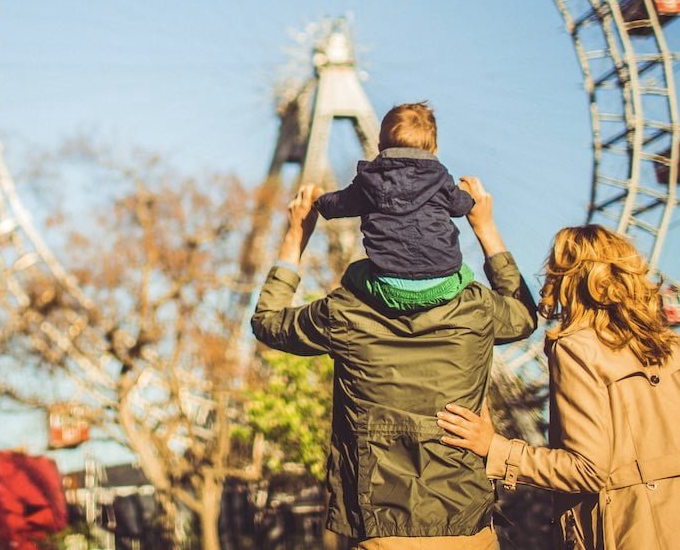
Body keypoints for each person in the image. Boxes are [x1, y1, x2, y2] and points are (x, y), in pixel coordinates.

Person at [251, 178, 537, 548]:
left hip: (380, 527)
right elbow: (524, 316)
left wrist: (296, 237)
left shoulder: (344, 312)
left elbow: (268, 321)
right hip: (467, 525)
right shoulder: (476, 309)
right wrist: (485, 228)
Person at [437, 224, 680, 550]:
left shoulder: (577, 348)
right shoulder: (669, 346)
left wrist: (495, 449)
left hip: (628, 530)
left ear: (567, 276)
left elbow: (589, 470)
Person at [314, 103, 475, 312]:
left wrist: (318, 201)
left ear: (380, 147)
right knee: (466, 273)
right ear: (434, 149)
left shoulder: (367, 182)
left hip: (389, 288)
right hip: (443, 284)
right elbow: (461, 206)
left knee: (353, 273)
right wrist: (470, 196)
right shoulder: (441, 180)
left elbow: (338, 204)